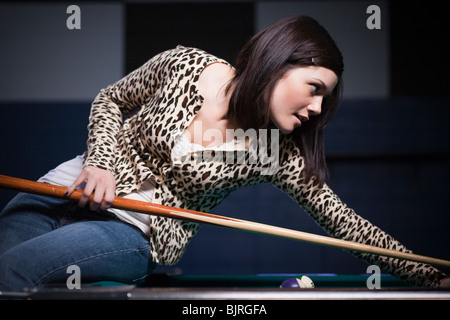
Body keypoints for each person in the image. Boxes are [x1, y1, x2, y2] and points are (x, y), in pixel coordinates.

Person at [0, 15, 448, 291]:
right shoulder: (186, 64)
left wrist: (431, 275)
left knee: (13, 272)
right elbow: (111, 99)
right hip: (65, 185)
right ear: (281, 63)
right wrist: (99, 162)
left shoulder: (277, 153)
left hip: (134, 232)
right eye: (315, 89)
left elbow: (344, 224)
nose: (316, 108)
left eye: (324, 101)